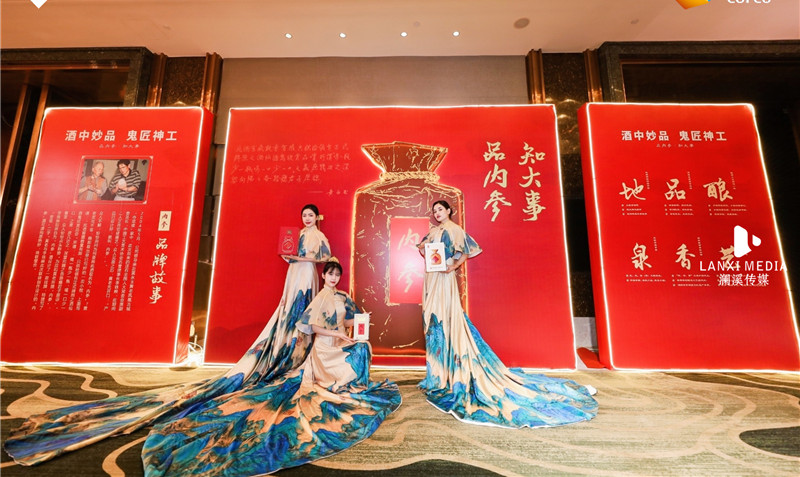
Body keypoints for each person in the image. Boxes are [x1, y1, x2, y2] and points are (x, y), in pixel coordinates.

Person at [4, 204, 334, 472]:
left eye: (310, 215)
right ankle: (285, 350)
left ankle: (296, 354)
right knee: (287, 310)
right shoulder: (295, 234)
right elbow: (291, 254)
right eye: (303, 215)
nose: (306, 218)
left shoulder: (317, 236)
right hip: (294, 272)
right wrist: (289, 258)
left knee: (301, 311)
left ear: (316, 217)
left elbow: (321, 260)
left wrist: (300, 259)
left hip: (305, 274)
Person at [142, 259, 401, 475]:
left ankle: (351, 385)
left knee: (363, 348)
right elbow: (313, 327)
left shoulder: (343, 297)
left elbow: (349, 322)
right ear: (323, 276)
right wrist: (338, 334)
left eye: (337, 275)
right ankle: (336, 384)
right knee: (344, 358)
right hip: (324, 348)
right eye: (330, 274)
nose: (333, 278)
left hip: (339, 343)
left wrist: (359, 324)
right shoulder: (320, 298)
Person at [416, 199, 598, 428]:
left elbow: (466, 251)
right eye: (434, 211)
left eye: (440, 209)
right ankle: (439, 376)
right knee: (433, 324)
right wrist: (424, 249)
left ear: (449, 211)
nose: (437, 213)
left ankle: (452, 374)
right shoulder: (434, 231)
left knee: (446, 321)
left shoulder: (454, 230)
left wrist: (453, 266)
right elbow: (423, 250)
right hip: (431, 278)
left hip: (444, 280)